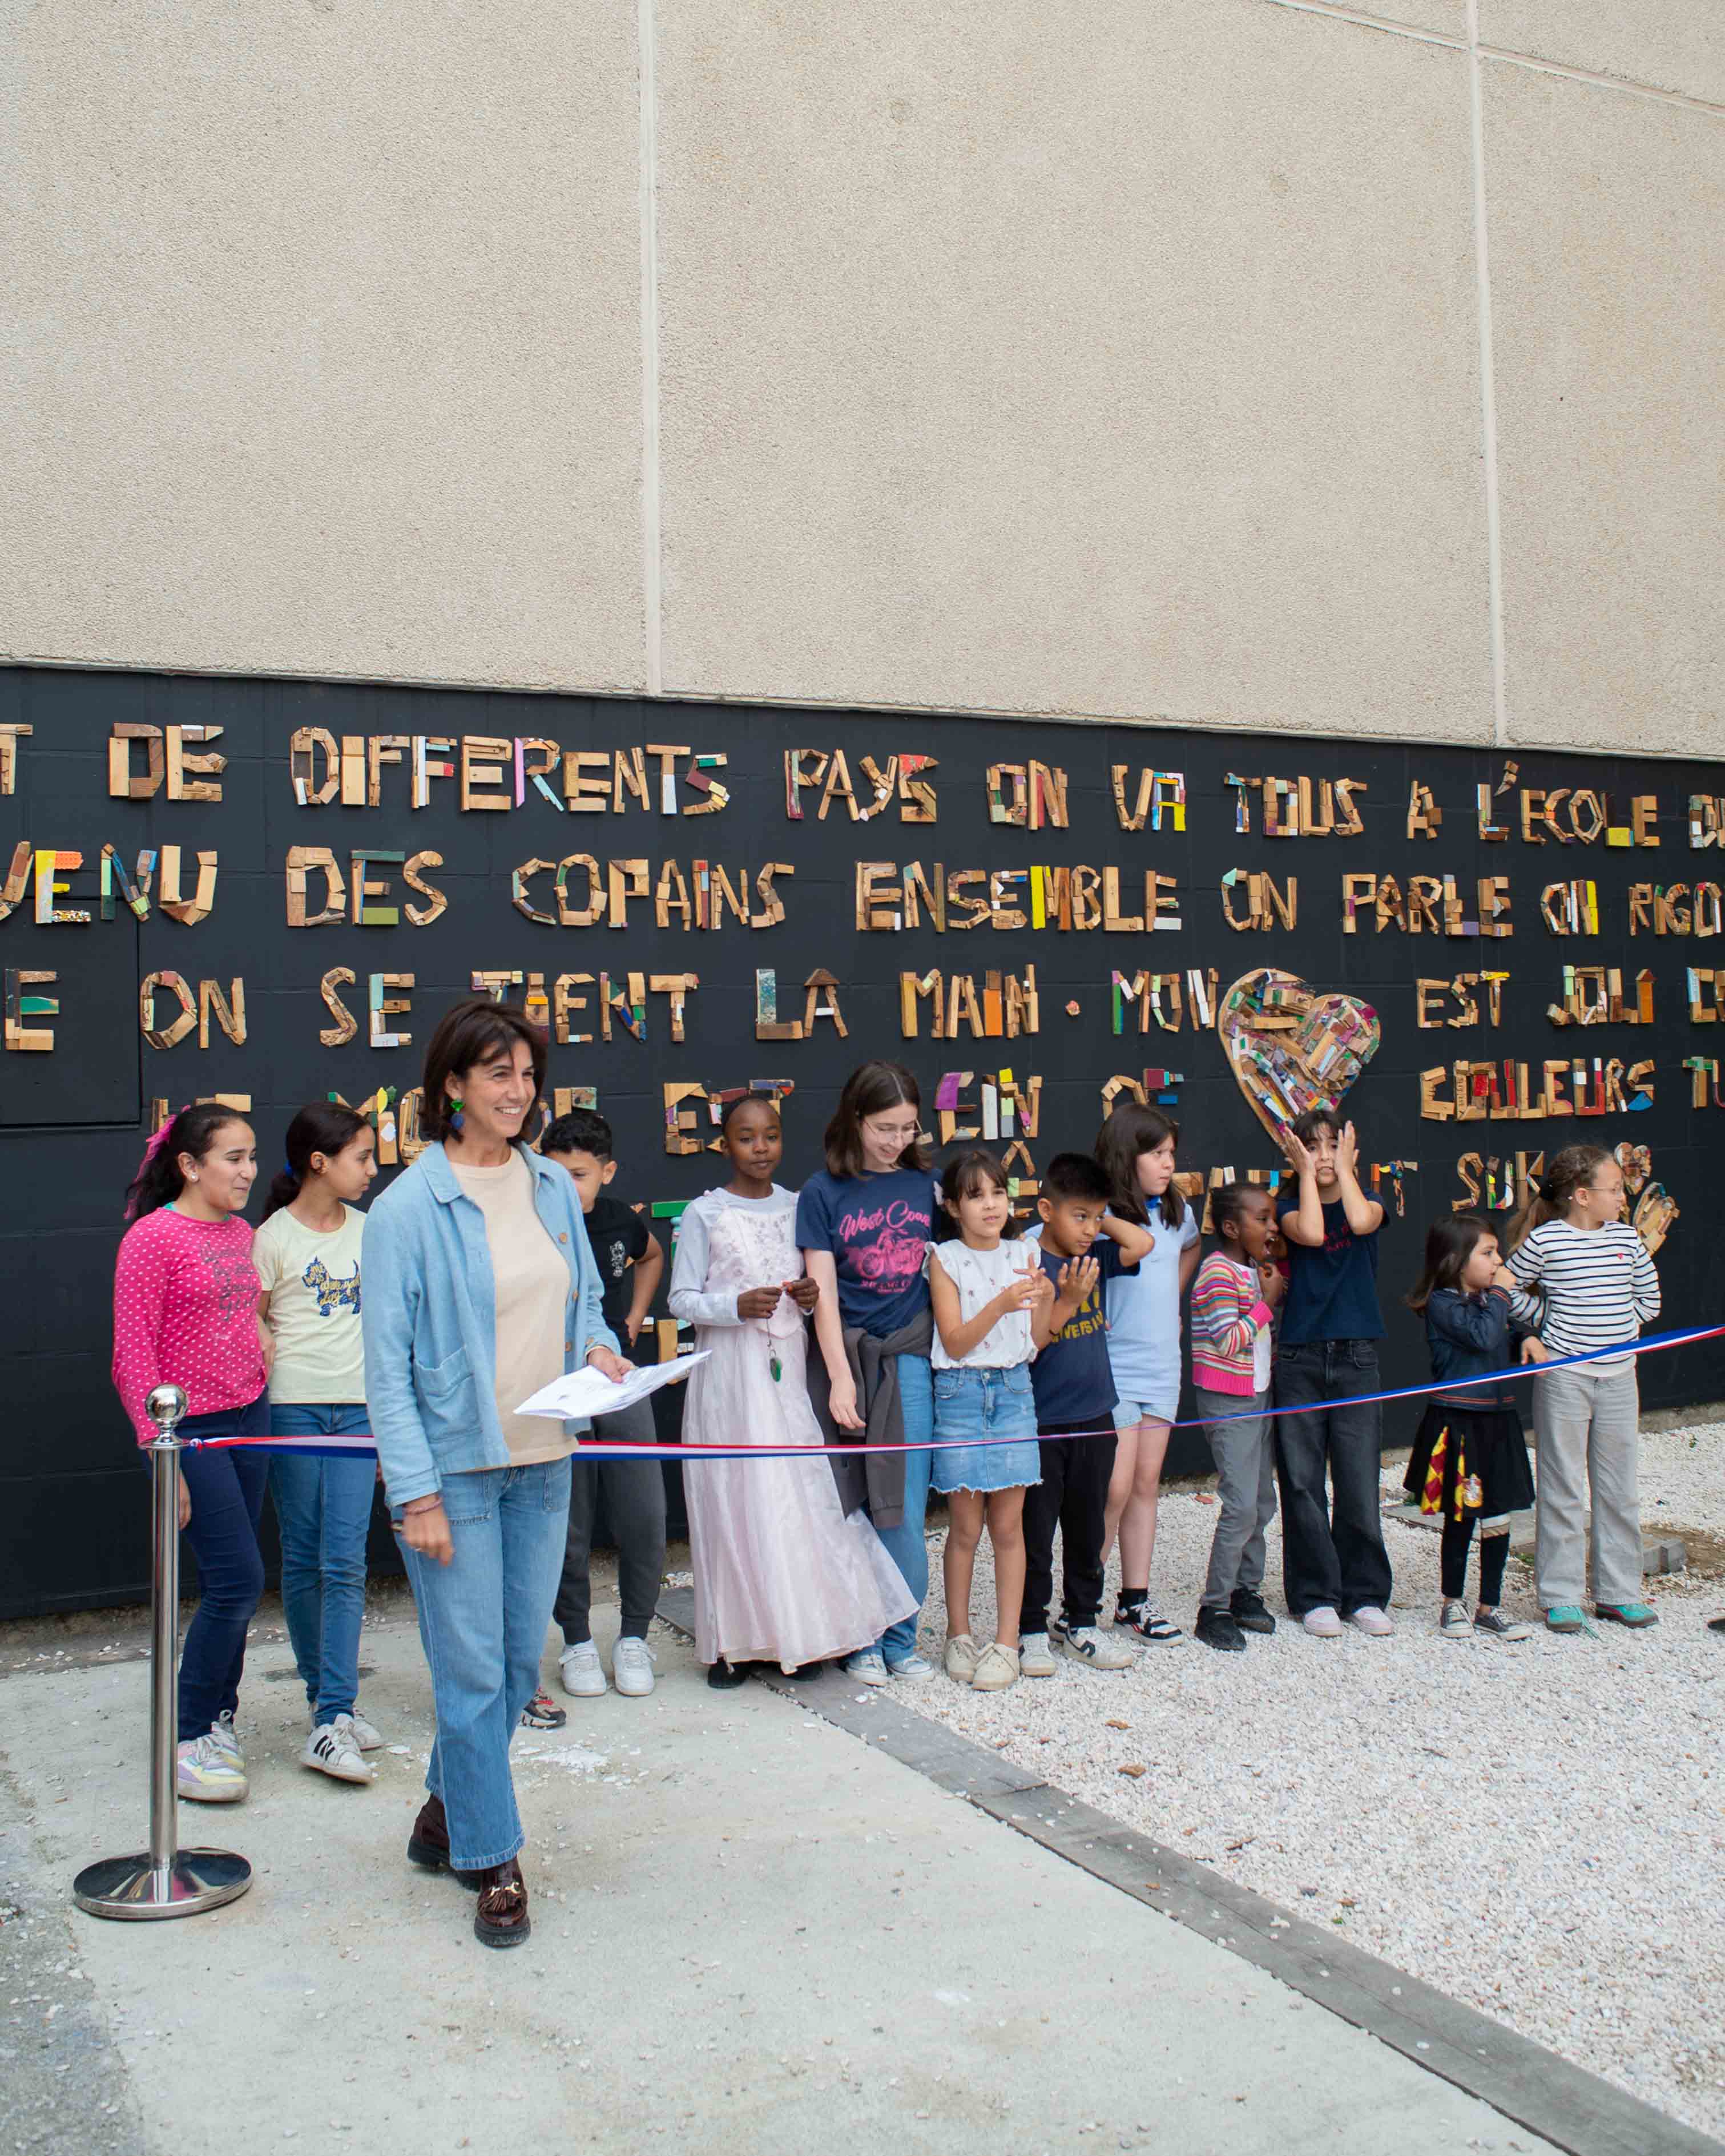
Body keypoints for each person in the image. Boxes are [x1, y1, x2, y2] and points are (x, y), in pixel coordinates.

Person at [363, 996, 630, 1949]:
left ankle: (443, 1808)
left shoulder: (553, 1187)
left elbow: (587, 1302)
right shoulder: (405, 1208)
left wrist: (600, 1347)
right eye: (497, 1073)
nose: (518, 1091)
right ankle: (494, 1855)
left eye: (527, 1074)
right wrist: (416, 1490)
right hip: (458, 1473)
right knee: (471, 1673)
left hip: (544, 1461)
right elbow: (384, 1370)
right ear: (452, 1086)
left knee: (516, 1668)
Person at [670, 1094, 914, 1686]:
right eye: (747, 1137)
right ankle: (732, 1643)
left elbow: (817, 1282)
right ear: (724, 1143)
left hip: (788, 1376)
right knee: (735, 1497)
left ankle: (798, 1635)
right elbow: (680, 1300)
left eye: (771, 1136)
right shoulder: (705, 1214)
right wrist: (732, 1306)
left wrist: (806, 1298)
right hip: (730, 1381)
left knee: (796, 1496)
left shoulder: (801, 1205)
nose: (760, 1148)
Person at [111, 1104, 270, 1803]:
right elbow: (131, 1353)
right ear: (189, 1165)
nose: (248, 1171)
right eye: (233, 1158)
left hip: (250, 1417)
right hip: (190, 1431)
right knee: (238, 1578)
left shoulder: (243, 1233)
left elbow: (250, 1314)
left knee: (234, 1582)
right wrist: (160, 1450)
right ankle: (189, 1730)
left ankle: (219, 1716)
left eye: (252, 1155)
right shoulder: (152, 1239)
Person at [797, 1060, 938, 1685]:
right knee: (848, 1504)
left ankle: (902, 1636)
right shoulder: (821, 1193)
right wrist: (840, 1377)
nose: (895, 1141)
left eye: (907, 1128)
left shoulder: (927, 1187)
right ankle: (859, 1637)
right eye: (885, 1127)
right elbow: (822, 1292)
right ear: (855, 1119)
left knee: (904, 1504)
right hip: (847, 1357)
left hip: (909, 1355)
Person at [253, 1101, 382, 1784]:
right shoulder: (271, 1236)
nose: (372, 1168)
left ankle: (335, 1710)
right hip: (294, 1408)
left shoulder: (372, 1230)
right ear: (319, 1161)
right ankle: (325, 1709)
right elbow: (253, 1321)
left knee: (346, 1559)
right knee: (304, 1556)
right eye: (361, 1156)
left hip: (359, 1410)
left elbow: (392, 1328)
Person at [1504, 1145, 1662, 1634]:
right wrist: (1547, 1325)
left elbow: (1650, 1300)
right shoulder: (1547, 1240)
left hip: (1619, 1378)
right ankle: (1561, 1595)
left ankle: (1618, 1592)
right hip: (1565, 1379)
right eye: (1614, 1190)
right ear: (1582, 1195)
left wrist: (1618, 1330)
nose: (1622, 1196)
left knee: (1619, 1489)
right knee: (1564, 1486)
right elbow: (1505, 1288)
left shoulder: (1628, 1240)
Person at [541, 1108, 667, 1703]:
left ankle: (635, 1635)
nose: (566, 1187)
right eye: (554, 1173)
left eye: (580, 1175)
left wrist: (636, 1317)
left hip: (613, 1371)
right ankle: (576, 1641)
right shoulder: (531, 1222)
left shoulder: (619, 1221)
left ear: (608, 1172)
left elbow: (652, 1255)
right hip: (553, 1381)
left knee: (644, 1508)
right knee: (568, 1519)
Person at [1019, 1153, 1154, 1676]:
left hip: (1097, 1412)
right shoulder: (1027, 1261)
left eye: (1097, 1217)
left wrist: (1099, 1214)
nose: (1091, 1228)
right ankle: (1031, 1627)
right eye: (1079, 1216)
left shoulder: (1098, 1252)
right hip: (1042, 1420)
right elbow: (1033, 1343)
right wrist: (1070, 1299)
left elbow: (1141, 1243)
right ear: (1046, 1209)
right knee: (1037, 1530)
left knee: (1087, 1526)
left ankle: (1081, 1622)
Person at [928, 1149, 1052, 1693]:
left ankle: (1006, 1643)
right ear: (953, 1206)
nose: (990, 1205)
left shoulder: (1026, 1252)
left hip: (1014, 1391)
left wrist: (1052, 1298)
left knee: (1009, 1527)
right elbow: (955, 1341)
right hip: (958, 1392)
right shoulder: (945, 1258)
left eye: (998, 1192)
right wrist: (1002, 1304)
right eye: (976, 1195)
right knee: (964, 1527)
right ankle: (958, 1633)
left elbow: (1037, 1340)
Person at [1274, 1109, 1395, 1638]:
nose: (1322, 1156)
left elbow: (1362, 1223)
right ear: (1294, 1153)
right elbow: (1314, 1234)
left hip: (1356, 1357)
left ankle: (1365, 1593)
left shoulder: (1366, 1201)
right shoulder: (1286, 1207)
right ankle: (1314, 1594)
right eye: (1312, 1146)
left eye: (1332, 1145)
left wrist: (1346, 1171)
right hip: (1300, 1357)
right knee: (1302, 1484)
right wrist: (1305, 1176)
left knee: (1358, 1480)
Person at [1404, 1215, 1542, 1642]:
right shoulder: (1444, 1304)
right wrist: (1502, 1290)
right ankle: (1452, 1603)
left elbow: (1498, 1336)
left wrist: (1524, 1339)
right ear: (1454, 1261)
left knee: (1498, 1514)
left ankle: (1490, 1606)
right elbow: (1482, 1338)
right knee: (1462, 1513)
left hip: (1498, 1422)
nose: (1499, 1261)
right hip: (1460, 1422)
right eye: (1488, 1253)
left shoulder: (1488, 1302)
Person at [1094, 1102, 1202, 1644]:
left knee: (1145, 1484)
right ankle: (1082, 1597)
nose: (1168, 1165)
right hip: (1114, 1365)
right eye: (1156, 1154)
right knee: (1112, 1486)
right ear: (1125, 1154)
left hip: (1162, 1364)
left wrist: (1173, 1302)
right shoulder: (1101, 1216)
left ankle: (1134, 1600)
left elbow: (1191, 1247)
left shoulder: (1178, 1212)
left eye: (1171, 1155)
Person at [1187, 1182, 1283, 1651]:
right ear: (1230, 1227)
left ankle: (1247, 1591)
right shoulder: (1217, 1272)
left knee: (1263, 1502)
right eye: (1261, 1219)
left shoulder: (1251, 1270)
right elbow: (1228, 1340)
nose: (1272, 1227)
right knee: (1241, 1504)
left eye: (1272, 1218)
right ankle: (1214, 1607)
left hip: (1258, 1397)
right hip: (1229, 1403)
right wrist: (1268, 1303)